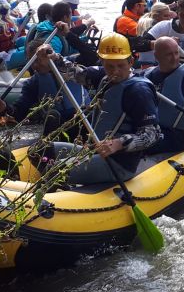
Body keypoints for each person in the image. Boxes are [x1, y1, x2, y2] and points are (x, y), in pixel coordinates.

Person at [51, 32, 162, 185]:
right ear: (102, 62)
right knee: (40, 152)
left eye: (120, 65)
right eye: (109, 66)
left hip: (119, 163)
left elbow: (153, 134)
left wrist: (119, 143)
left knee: (54, 171)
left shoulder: (139, 91)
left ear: (131, 62)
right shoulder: (103, 76)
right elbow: (77, 74)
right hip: (95, 150)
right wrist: (54, 57)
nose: (115, 71)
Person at [0, 41, 83, 137]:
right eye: (31, 61)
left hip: (84, 120)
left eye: (38, 60)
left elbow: (90, 57)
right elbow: (20, 112)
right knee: (52, 116)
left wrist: (69, 35)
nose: (35, 65)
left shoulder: (70, 66)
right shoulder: (33, 83)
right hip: (59, 128)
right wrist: (5, 108)